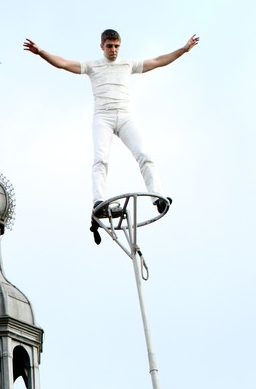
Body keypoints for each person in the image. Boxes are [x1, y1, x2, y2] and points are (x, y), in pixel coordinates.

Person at [23, 30, 198, 240]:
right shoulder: (92, 65)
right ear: (102, 46)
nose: (113, 50)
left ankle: (158, 197)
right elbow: (63, 63)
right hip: (103, 118)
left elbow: (159, 61)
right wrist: (40, 51)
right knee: (101, 159)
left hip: (125, 117)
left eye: (116, 46)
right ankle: (99, 200)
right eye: (109, 46)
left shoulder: (127, 64)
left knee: (144, 154)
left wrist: (184, 50)